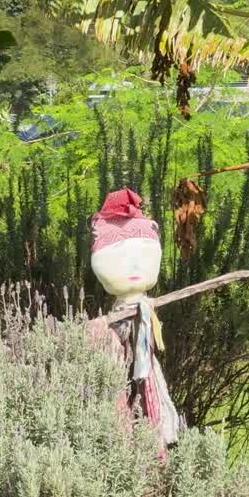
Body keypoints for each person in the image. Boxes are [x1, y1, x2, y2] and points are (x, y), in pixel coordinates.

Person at [89, 188, 182, 448]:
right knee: (121, 392)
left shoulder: (145, 308)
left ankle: (152, 440)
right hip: (119, 351)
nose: (132, 267)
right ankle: (126, 441)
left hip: (140, 349)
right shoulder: (118, 320)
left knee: (150, 385)